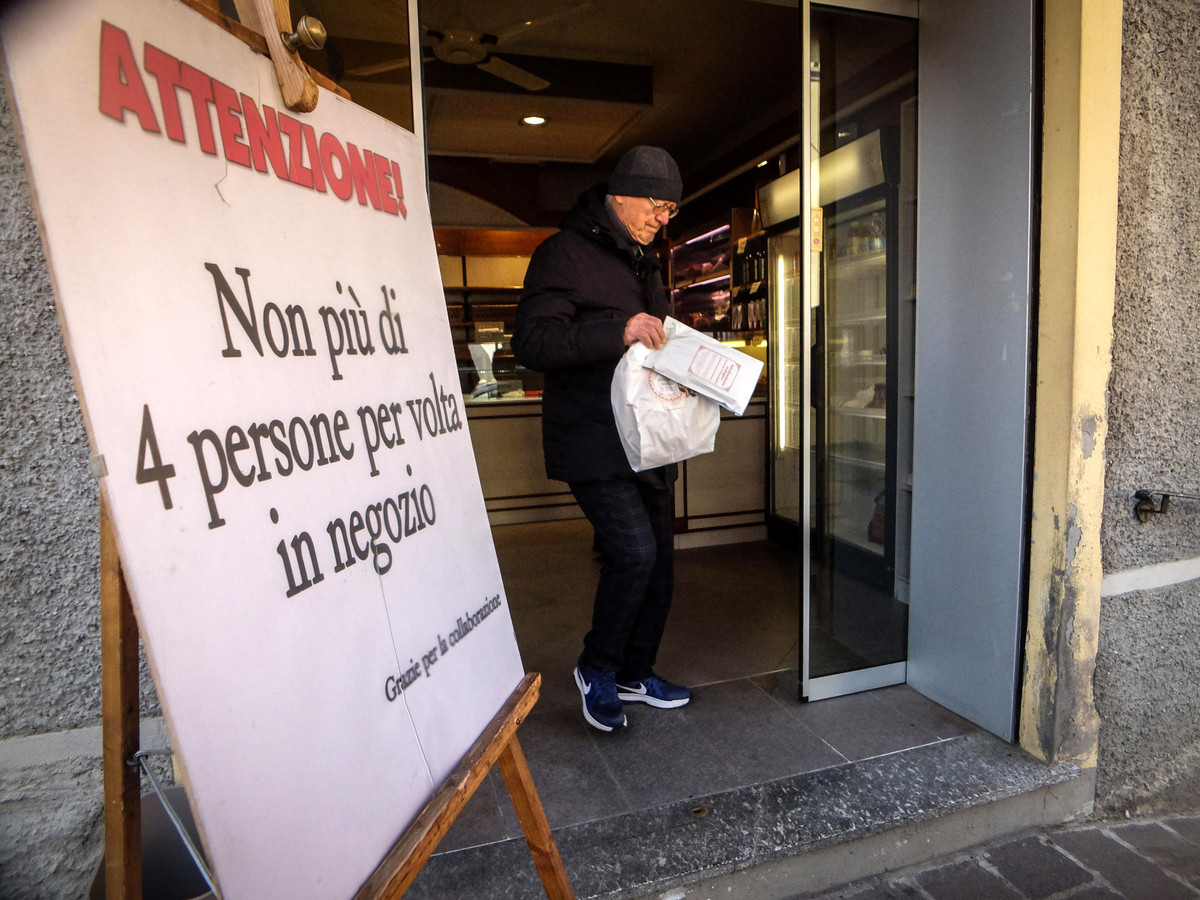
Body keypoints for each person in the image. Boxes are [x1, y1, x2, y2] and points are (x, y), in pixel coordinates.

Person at [511, 146, 692, 732]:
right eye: (658, 205)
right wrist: (620, 329)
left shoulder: (646, 261)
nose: (663, 218)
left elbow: (652, 345)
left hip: (649, 441)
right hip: (592, 437)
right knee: (633, 553)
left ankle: (636, 671)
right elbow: (532, 343)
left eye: (671, 209)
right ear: (621, 195)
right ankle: (598, 666)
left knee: (659, 562)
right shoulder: (562, 253)